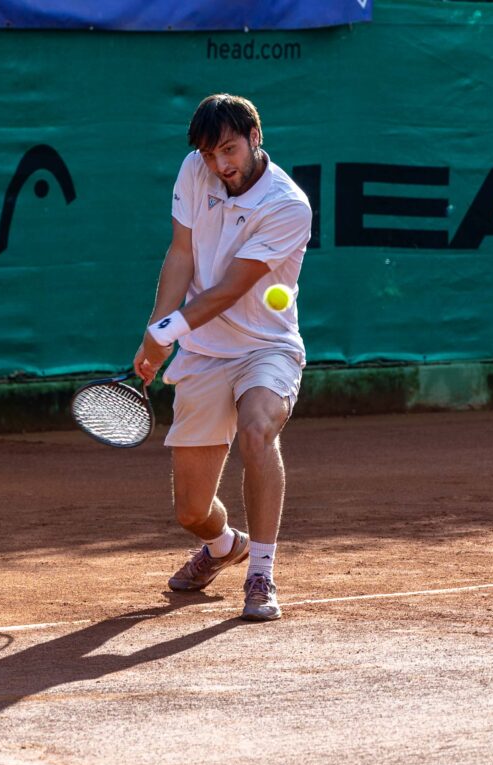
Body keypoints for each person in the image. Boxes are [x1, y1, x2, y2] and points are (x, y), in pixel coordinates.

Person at [133, 93, 312, 622]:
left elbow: (232, 288)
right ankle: (223, 546)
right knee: (192, 511)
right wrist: (155, 332)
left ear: (255, 138)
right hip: (204, 351)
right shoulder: (195, 170)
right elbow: (181, 253)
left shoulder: (288, 205)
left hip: (267, 347)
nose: (219, 165)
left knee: (258, 430)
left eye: (229, 150)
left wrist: (167, 331)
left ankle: (261, 572)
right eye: (210, 154)